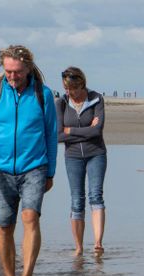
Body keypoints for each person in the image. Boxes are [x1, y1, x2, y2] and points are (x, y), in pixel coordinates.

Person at [0, 44, 58, 276]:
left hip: (35, 167)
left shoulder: (43, 94)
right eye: (8, 71)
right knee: (5, 225)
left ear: (28, 68)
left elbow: (51, 134)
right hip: (1, 169)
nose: (12, 76)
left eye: (17, 71)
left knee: (30, 217)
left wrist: (50, 171)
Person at [56, 66, 107, 256]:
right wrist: (82, 132)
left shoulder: (96, 99)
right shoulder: (60, 102)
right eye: (66, 88)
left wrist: (70, 130)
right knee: (77, 200)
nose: (70, 92)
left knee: (96, 196)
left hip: (96, 154)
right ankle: (78, 247)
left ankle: (97, 243)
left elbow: (97, 131)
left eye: (73, 89)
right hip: (73, 156)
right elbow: (58, 136)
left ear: (82, 85)